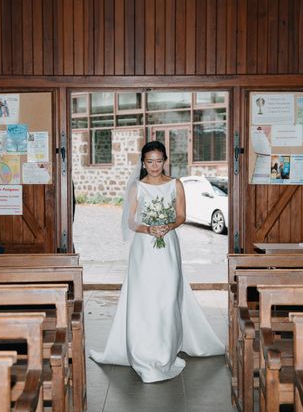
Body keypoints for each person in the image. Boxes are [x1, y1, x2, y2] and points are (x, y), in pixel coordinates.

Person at [89, 141, 224, 383]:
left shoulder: (176, 184)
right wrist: (148, 228)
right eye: (149, 161)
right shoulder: (137, 188)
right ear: (143, 163)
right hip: (143, 246)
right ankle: (142, 350)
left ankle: (166, 350)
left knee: (167, 296)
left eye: (158, 161)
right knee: (144, 298)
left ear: (165, 161)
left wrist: (167, 226)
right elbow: (130, 222)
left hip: (168, 246)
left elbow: (181, 215)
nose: (154, 166)